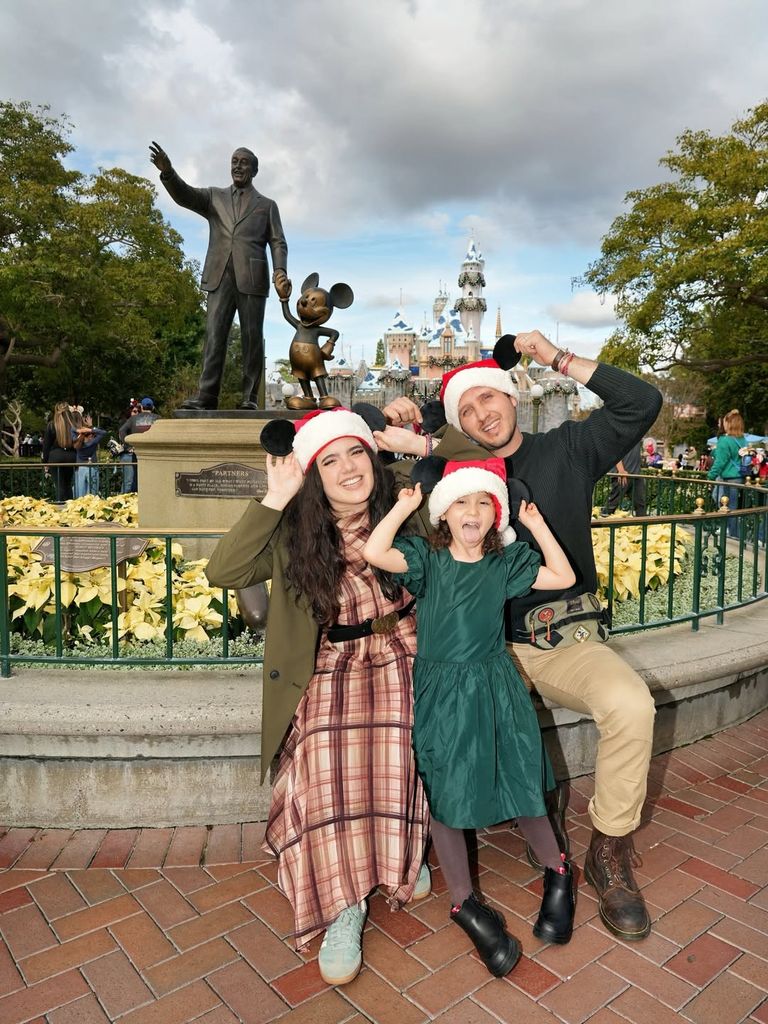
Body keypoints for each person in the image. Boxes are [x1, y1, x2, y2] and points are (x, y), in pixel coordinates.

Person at [378, 331, 663, 942]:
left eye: (492, 396)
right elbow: (359, 480)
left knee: (630, 704)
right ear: (458, 422)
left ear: (514, 396)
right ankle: (536, 800)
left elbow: (641, 403)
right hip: (468, 649)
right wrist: (388, 418)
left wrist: (551, 356)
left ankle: (608, 849)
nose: (484, 410)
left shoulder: (569, 447)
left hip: (554, 641)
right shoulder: (445, 471)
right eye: (467, 407)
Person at [205, 408, 430, 986]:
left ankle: (399, 853)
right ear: (313, 473)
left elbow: (482, 480)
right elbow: (224, 570)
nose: (348, 468)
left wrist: (424, 444)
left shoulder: (410, 506)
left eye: (356, 452)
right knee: (325, 753)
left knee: (410, 735)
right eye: (329, 460)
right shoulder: (296, 529)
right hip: (334, 659)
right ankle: (344, 902)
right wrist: (275, 498)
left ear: (373, 459)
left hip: (409, 647)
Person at [364, 458, 577, 976]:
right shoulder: (426, 560)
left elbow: (563, 574)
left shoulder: (505, 564)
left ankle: (558, 870)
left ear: (495, 516)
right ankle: (464, 902)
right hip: (440, 689)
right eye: (462, 500)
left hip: (494, 685)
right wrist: (402, 507)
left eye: (484, 502)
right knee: (445, 787)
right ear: (444, 514)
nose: (473, 510)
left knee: (519, 775)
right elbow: (374, 550)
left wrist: (538, 527)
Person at [150, 142, 289, 410]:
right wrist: (168, 172)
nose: (238, 166)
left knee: (251, 338)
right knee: (214, 336)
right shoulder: (215, 197)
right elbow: (185, 195)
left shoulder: (267, 205)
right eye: (234, 161)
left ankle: (249, 397)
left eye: (244, 162)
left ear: (254, 170)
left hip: (252, 277)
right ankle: (207, 396)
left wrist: (279, 271)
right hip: (219, 276)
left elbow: (278, 241)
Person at [707, 409, 747, 538]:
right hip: (738, 476)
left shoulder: (725, 440)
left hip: (727, 478)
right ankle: (733, 533)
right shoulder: (743, 440)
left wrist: (710, 476)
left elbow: (720, 462)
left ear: (729, 424)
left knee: (722, 502)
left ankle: (727, 530)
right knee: (733, 506)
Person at [42, 402, 84, 502]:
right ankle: (70, 509)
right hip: (71, 458)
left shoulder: (52, 425)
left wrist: (45, 462)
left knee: (59, 486)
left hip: (55, 458)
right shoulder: (74, 425)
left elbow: (46, 447)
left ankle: (60, 509)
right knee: (68, 484)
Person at [600, 441, 647, 517]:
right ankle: (602, 523)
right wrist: (621, 470)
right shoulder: (622, 431)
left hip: (636, 474)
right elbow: (615, 451)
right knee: (613, 503)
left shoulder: (637, 433)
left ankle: (643, 526)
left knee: (640, 504)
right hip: (622, 474)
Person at [73, 413, 107, 498]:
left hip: (80, 468)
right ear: (90, 435)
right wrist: (91, 427)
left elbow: (71, 430)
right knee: (92, 493)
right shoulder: (92, 443)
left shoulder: (77, 443)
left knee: (80, 494)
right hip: (92, 467)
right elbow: (103, 432)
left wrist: (79, 430)